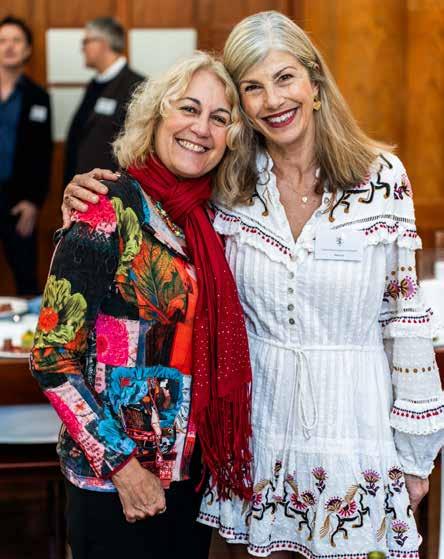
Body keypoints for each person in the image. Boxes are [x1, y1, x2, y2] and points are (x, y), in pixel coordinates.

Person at [61, 10, 444, 559]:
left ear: (315, 83)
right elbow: (160, 193)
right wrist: (86, 195)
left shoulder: (381, 179)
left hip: (357, 430)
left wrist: (416, 453)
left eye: (285, 77)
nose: (273, 100)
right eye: (253, 87)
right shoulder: (230, 181)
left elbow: (404, 318)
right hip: (259, 435)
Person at [31, 51, 253, 559]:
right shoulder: (106, 209)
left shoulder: (208, 220)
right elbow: (50, 359)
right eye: (188, 108)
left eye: (219, 118)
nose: (202, 128)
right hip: (114, 483)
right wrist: (124, 468)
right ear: (156, 115)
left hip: (189, 476)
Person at [0, 15, 52, 295]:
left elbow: (43, 155)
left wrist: (33, 202)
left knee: (26, 280)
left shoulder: (38, 97)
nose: (9, 47)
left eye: (16, 41)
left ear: (28, 49)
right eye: (2, 41)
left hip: (18, 203)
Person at [63, 17, 143, 185]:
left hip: (111, 191)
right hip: (82, 187)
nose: (82, 48)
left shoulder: (136, 86)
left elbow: (138, 150)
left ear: (103, 43)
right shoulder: (94, 84)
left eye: (86, 41)